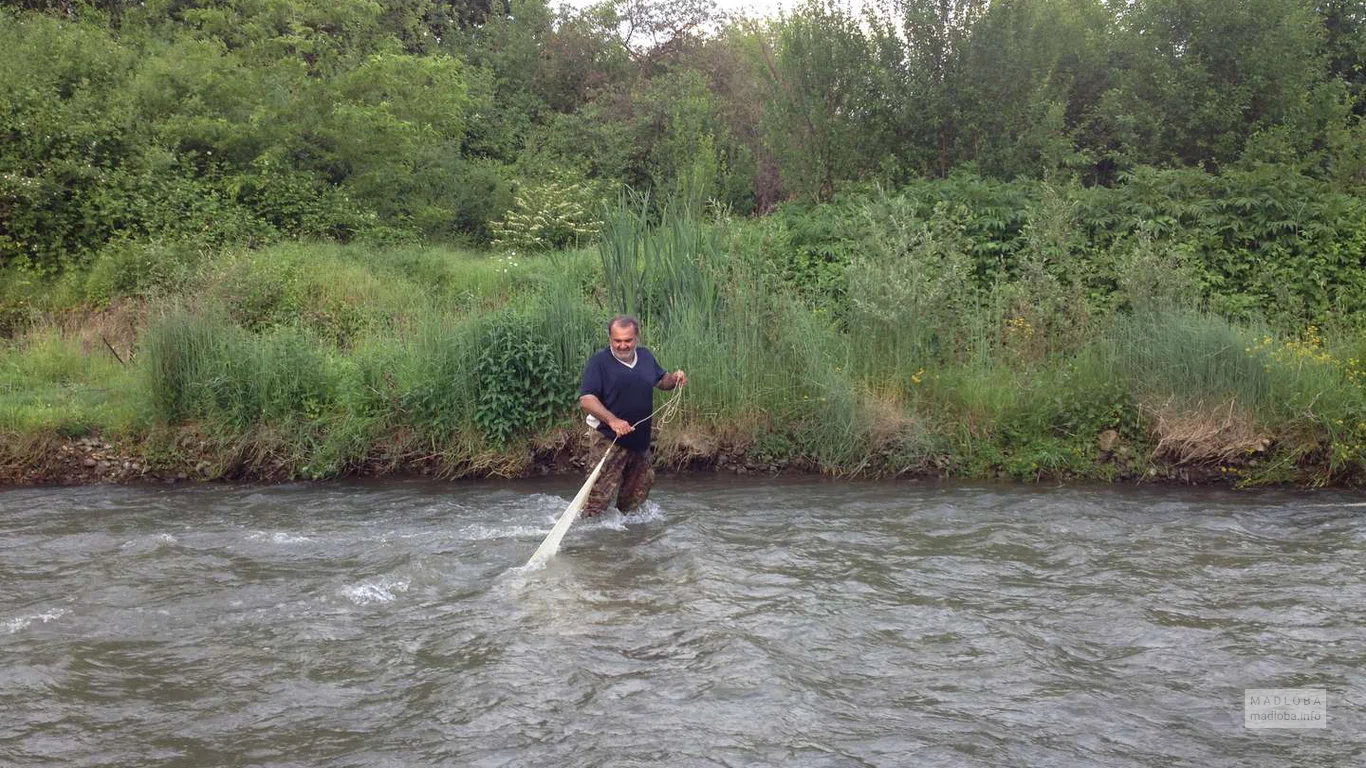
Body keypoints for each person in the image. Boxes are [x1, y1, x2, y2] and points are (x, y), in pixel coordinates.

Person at [578, 315, 687, 517]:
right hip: (609, 439)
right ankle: (591, 538)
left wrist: (674, 379)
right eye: (617, 340)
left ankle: (629, 539)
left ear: (636, 338)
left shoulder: (645, 356)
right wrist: (613, 421)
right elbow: (587, 399)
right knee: (596, 501)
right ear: (610, 339)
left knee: (634, 503)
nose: (622, 345)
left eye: (627, 340)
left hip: (640, 440)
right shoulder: (599, 362)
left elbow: (662, 381)